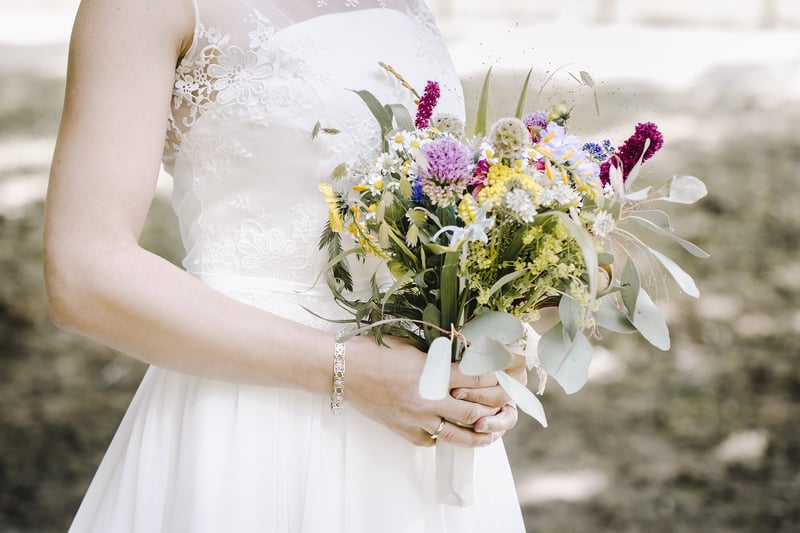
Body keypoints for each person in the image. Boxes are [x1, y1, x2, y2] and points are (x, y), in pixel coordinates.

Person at [44, 1, 528, 531]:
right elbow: (84, 273)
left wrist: (488, 345)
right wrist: (347, 372)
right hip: (249, 421)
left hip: (418, 440)